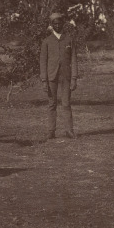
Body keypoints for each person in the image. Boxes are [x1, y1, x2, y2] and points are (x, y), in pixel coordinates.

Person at [39, 11, 78, 140]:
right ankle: (51, 131)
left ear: (63, 24)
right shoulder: (46, 41)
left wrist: (74, 78)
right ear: (51, 25)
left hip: (66, 77)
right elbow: (43, 62)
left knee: (66, 104)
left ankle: (69, 130)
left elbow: (74, 59)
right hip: (51, 77)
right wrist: (44, 80)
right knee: (52, 104)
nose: (57, 25)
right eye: (54, 23)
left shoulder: (69, 39)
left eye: (59, 23)